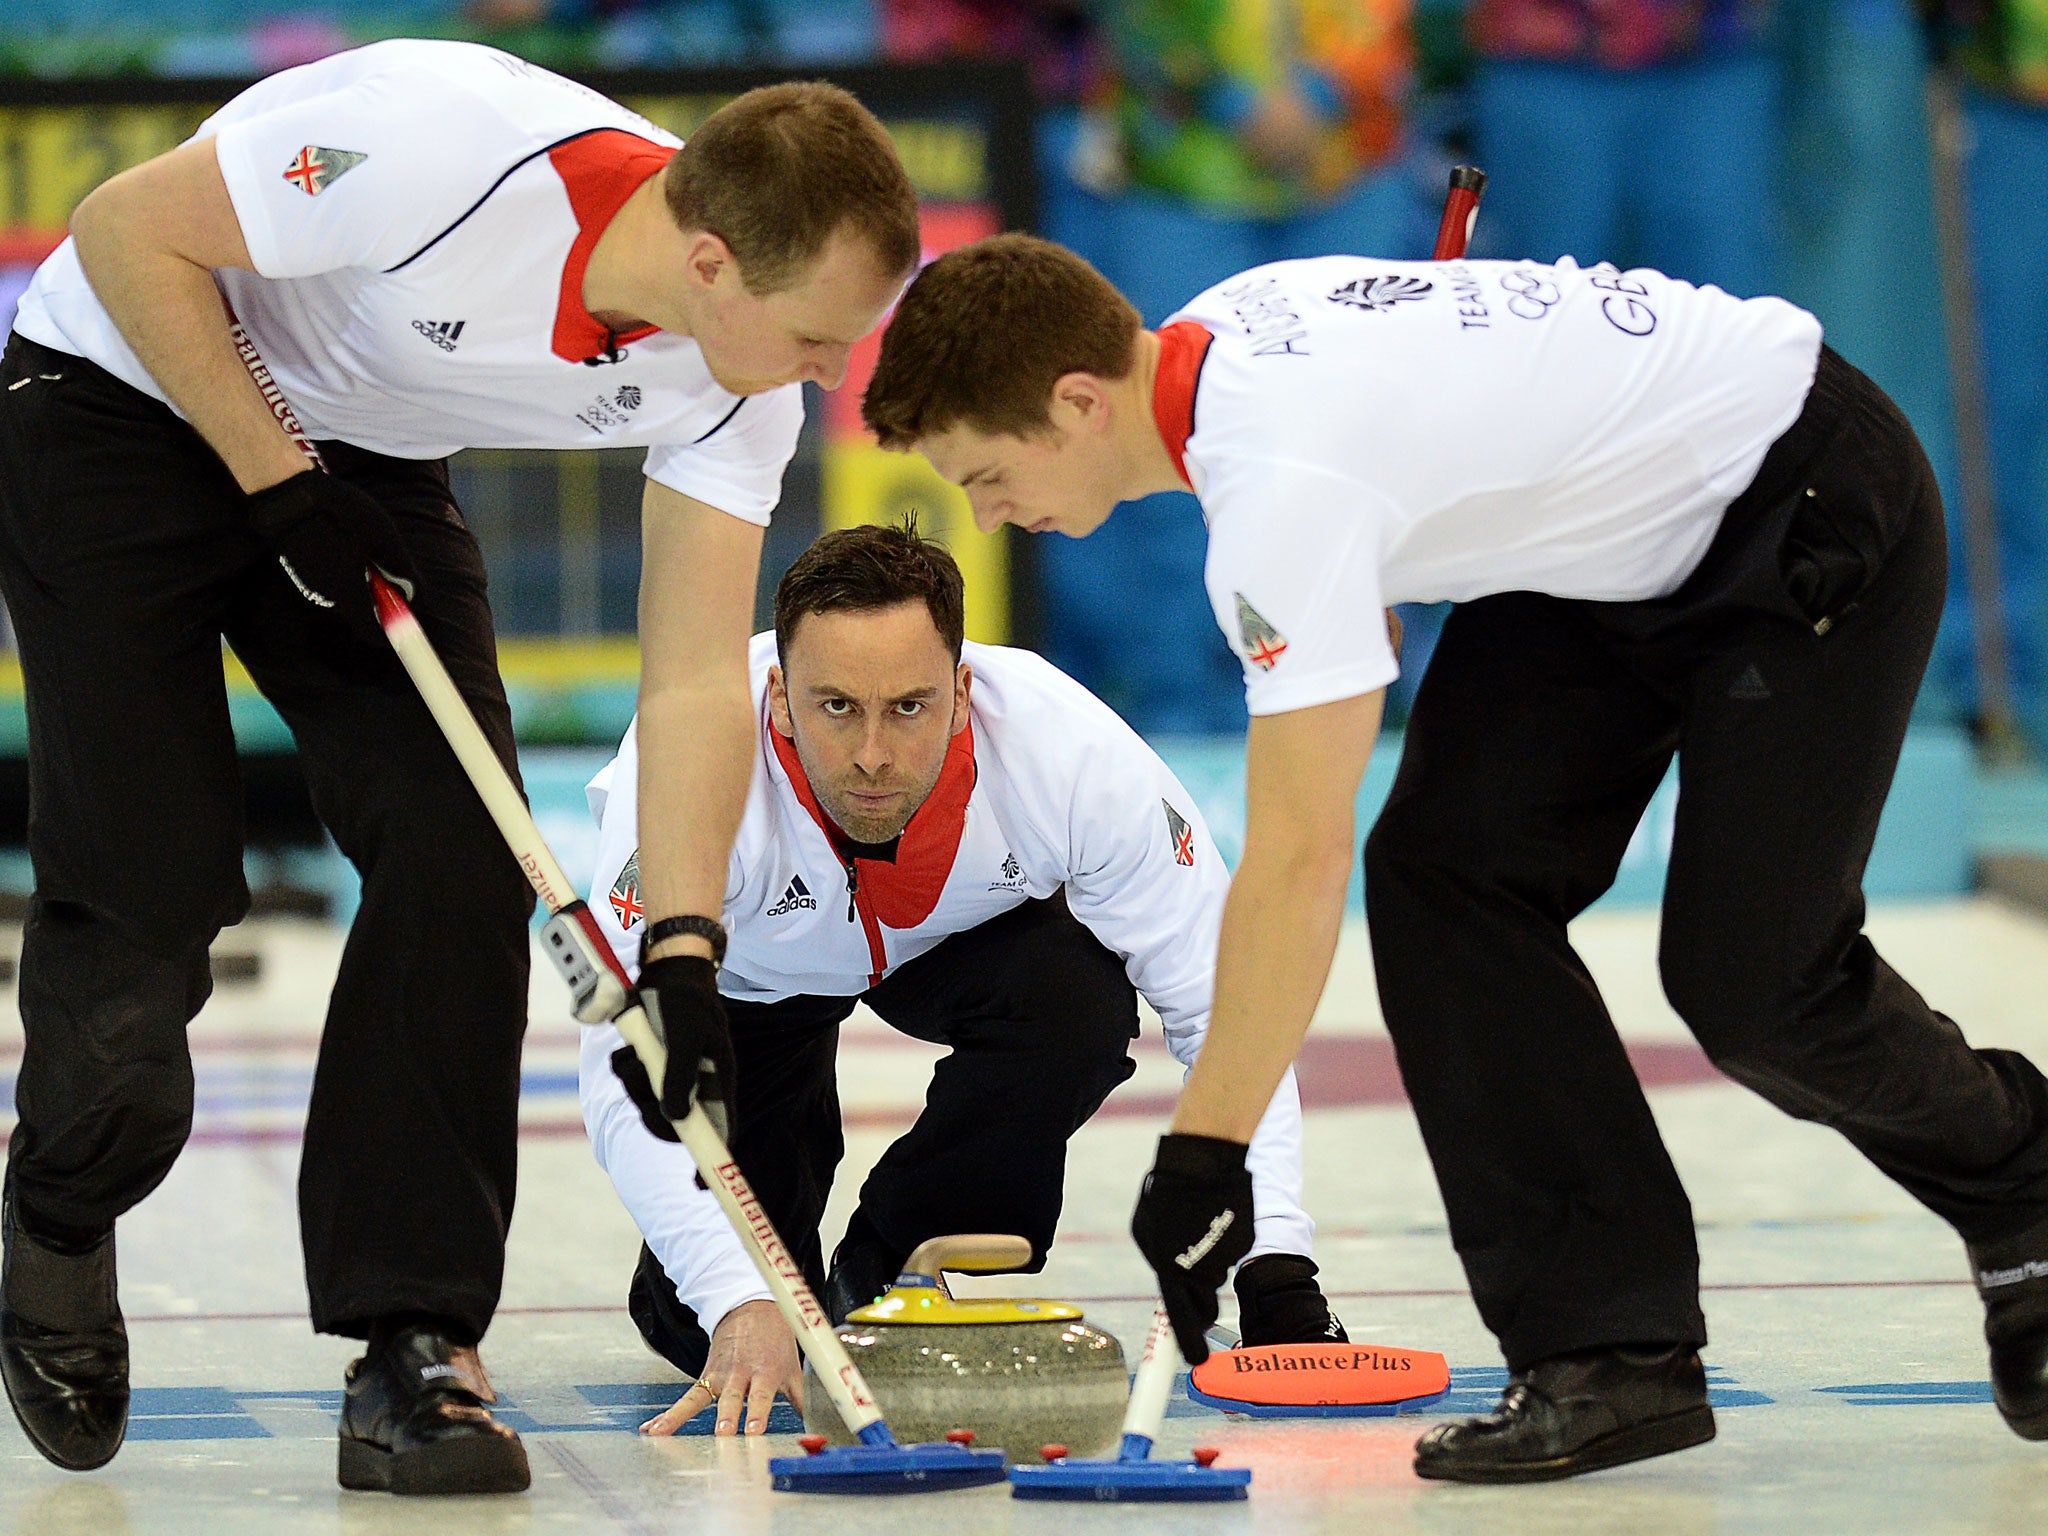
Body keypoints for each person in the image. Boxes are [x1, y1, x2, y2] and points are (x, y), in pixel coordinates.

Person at [859, 232, 2048, 1481]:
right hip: (1594, 552)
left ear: (1076, 401)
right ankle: (1608, 1354)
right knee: (1443, 876)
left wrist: (1204, 1153)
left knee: (1753, 979)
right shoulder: (1218, 346)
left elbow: (1294, 863)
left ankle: (2021, 1174)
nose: (990, 516)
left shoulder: (1278, 483)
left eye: (987, 476)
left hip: (1797, 494)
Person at [0, 38, 918, 1494]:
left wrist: (681, 951)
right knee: (149, 896)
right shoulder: (441, 155)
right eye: (818, 336)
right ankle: (59, 1209)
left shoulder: (743, 389)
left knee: (464, 847)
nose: (832, 373)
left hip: (355, 451)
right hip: (122, 386)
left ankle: (412, 1344)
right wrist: (279, 482)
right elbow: (121, 228)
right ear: (709, 260)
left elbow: (690, 679)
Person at [582, 521, 1341, 1436]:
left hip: (953, 943)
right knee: (708, 1315)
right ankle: (729, 1283)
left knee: (1074, 1004)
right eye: (836, 707)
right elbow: (621, 1071)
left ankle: (892, 1265)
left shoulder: (1070, 756)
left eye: (909, 707)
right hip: (743, 987)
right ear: (778, 699)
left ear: (963, 690)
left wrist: (1275, 1263)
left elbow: (1228, 1004)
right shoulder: (687, 768)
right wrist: (733, 1296)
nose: (871, 753)